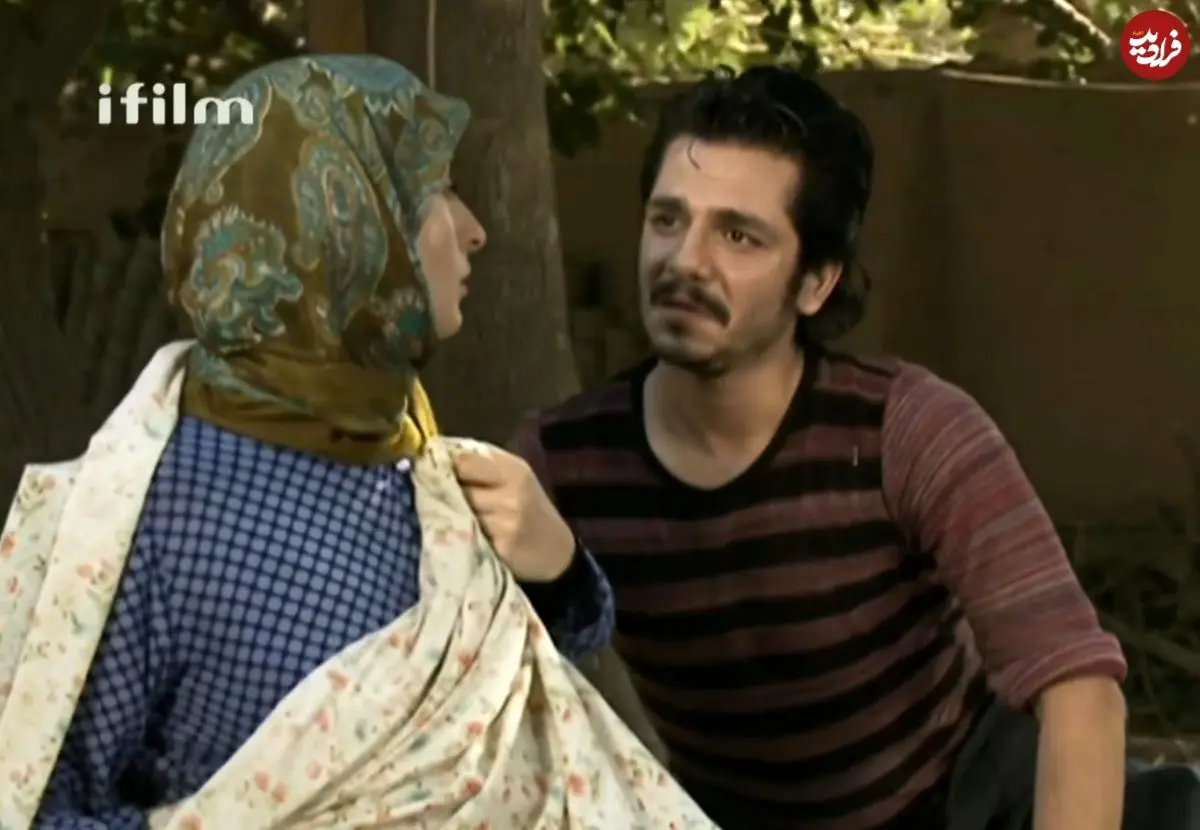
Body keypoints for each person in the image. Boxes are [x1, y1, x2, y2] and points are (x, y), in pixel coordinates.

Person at [509, 67, 1134, 829]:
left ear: (815, 282)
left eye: (738, 236)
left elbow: (1077, 688)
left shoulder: (907, 431)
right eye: (668, 220)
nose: (686, 261)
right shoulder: (562, 464)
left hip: (972, 801)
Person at [12, 54, 619, 828]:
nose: (474, 231)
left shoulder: (420, 464)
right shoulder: (145, 520)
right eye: (436, 192)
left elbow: (522, 704)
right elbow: (35, 802)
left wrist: (560, 568)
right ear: (344, 226)